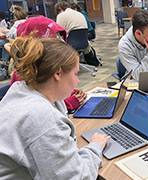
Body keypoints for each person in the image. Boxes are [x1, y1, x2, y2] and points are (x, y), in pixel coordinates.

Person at [0, 36, 109, 179]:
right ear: (58, 73)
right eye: (75, 74)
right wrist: (95, 147)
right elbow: (76, 177)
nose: (77, 81)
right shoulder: (40, 116)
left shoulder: (22, 90)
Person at [9, 15, 86, 112]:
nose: (59, 41)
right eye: (54, 37)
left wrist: (68, 92)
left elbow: (48, 91)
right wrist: (70, 102)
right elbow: (38, 106)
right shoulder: (25, 73)